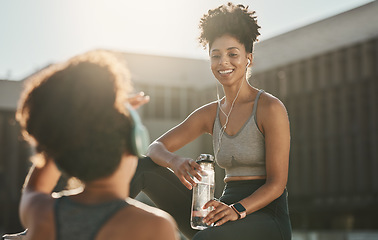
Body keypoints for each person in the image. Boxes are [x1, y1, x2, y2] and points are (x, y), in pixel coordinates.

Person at [130, 3, 292, 240]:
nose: (223, 62)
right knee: (142, 167)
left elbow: (277, 184)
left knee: (206, 239)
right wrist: (174, 162)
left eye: (232, 54)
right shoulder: (209, 114)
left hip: (266, 215)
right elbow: (155, 148)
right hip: (220, 210)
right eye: (216, 55)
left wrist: (237, 209)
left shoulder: (270, 107)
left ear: (249, 59)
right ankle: (95, 221)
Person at [15, 50, 178, 240]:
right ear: (135, 143)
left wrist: (74, 123)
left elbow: (35, 188)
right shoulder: (153, 226)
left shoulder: (41, 213)